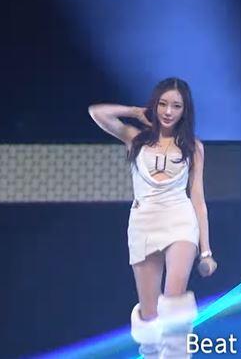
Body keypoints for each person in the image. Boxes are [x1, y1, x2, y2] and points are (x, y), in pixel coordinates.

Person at [88, 77, 216, 359]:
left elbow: (198, 199)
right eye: (163, 104)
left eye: (176, 106)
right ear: (154, 105)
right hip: (144, 222)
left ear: (185, 110)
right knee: (149, 315)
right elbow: (97, 113)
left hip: (180, 219)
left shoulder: (193, 147)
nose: (168, 111)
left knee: (174, 301)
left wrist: (205, 251)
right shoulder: (136, 139)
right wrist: (135, 112)